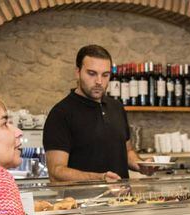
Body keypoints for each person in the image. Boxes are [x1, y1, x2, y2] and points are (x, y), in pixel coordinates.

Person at [43, 45, 151, 182]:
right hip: (82, 202)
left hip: (123, 200)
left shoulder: (116, 107)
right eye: (92, 74)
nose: (99, 81)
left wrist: (140, 164)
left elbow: (127, 151)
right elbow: (56, 172)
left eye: (105, 75)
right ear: (78, 72)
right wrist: (100, 178)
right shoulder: (61, 113)